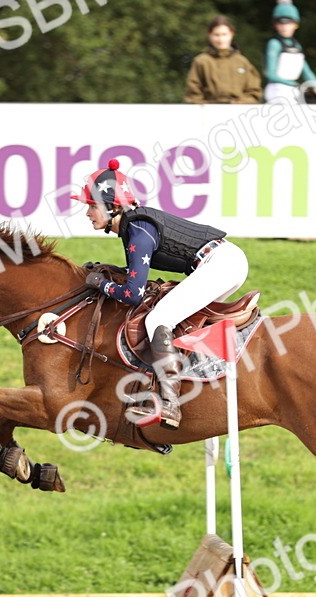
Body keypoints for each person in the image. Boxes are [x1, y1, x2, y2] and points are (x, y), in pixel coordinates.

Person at [71, 159, 250, 430]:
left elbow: (133, 294)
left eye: (92, 206)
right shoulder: (135, 226)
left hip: (222, 264)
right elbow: (135, 276)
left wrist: (100, 284)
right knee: (171, 314)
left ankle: (170, 403)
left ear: (112, 206)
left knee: (157, 320)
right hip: (224, 261)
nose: (88, 213)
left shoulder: (138, 230)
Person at [184, 15, 262, 104]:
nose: (221, 39)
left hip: (238, 112)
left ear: (231, 34)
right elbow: (193, 92)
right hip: (210, 112)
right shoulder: (201, 62)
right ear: (210, 35)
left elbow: (254, 92)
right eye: (216, 35)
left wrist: (241, 103)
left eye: (224, 35)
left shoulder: (242, 62)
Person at [263, 3, 316, 103]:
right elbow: (270, 73)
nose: (284, 27)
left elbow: (305, 70)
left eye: (289, 23)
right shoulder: (274, 44)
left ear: (296, 25)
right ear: (275, 25)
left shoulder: (297, 45)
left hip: (292, 90)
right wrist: (292, 84)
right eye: (280, 23)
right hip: (277, 90)